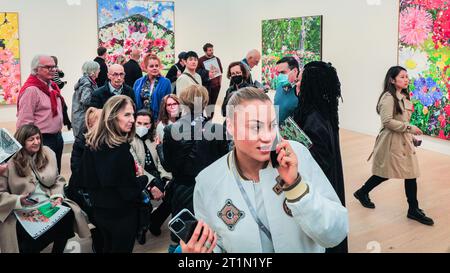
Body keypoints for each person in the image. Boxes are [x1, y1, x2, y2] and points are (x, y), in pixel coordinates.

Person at [181, 87, 348, 253]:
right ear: (231, 127)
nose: (268, 137)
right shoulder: (208, 182)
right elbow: (216, 244)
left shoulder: (296, 156)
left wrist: (296, 187)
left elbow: (336, 232)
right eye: (256, 127)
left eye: (272, 125)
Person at [354, 66, 434, 226]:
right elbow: (387, 121)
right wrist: (410, 129)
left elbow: (403, 121)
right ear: (392, 79)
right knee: (384, 173)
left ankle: (413, 209)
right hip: (390, 143)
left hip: (403, 142)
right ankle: (362, 192)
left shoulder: (403, 96)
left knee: (411, 174)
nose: (406, 79)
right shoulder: (388, 98)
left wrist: (411, 136)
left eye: (407, 76)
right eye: (402, 77)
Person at [0, 124, 90, 253]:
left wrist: (57, 196)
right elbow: (1, 194)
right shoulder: (8, 162)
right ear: (21, 141)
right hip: (20, 209)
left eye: (38, 138)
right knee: (30, 239)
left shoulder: (47, 152)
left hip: (48, 201)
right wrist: (18, 200)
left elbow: (57, 179)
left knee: (69, 213)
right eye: (31, 139)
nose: (36, 142)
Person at [79, 95, 149, 253]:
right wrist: (142, 178)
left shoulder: (92, 144)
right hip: (122, 216)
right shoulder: (120, 151)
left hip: (101, 214)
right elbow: (129, 192)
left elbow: (85, 179)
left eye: (132, 114)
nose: (132, 119)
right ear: (111, 117)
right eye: (127, 114)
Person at [163, 84, 228, 252]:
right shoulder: (217, 129)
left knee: (184, 238)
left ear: (183, 101)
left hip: (182, 190)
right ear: (205, 102)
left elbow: (168, 165)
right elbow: (224, 163)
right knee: (211, 237)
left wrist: (158, 149)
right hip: (211, 191)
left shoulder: (171, 129)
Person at [293, 61, 347, 253]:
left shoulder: (313, 119)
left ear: (310, 84)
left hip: (318, 193)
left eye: (300, 80)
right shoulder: (321, 112)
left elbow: (318, 163)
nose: (296, 84)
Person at [16, 54, 72, 173]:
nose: (53, 70)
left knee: (55, 173)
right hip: (41, 140)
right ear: (36, 69)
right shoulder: (31, 90)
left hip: (56, 137)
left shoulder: (52, 86)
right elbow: (24, 122)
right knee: (44, 175)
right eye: (48, 67)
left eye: (54, 67)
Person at [130, 110, 172, 244]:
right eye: (139, 123)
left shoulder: (154, 138)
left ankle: (155, 222)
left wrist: (166, 179)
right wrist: (151, 185)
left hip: (157, 174)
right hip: (140, 178)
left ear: (151, 124)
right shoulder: (129, 140)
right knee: (144, 201)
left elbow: (161, 161)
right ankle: (142, 227)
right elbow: (136, 167)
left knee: (173, 192)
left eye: (146, 124)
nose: (142, 126)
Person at [66, 107, 103, 252]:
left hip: (100, 187)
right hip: (83, 190)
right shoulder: (82, 141)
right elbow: (78, 171)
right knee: (99, 216)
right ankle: (98, 241)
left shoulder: (108, 139)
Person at [133, 54, 171, 120]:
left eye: (157, 66)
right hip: (141, 119)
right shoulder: (138, 82)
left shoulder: (166, 82)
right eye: (151, 66)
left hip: (159, 119)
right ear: (146, 68)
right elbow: (134, 102)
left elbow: (168, 102)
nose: (155, 68)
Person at [71, 61, 100, 137]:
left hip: (81, 117)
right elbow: (85, 100)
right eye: (98, 69)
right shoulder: (87, 83)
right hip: (83, 119)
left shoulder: (87, 81)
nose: (99, 71)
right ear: (93, 71)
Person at [274, 56, 301, 124]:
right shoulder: (280, 86)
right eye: (278, 73)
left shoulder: (301, 90)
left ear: (295, 71)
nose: (280, 76)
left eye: (283, 72)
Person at [198, 43, 223, 108]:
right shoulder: (200, 60)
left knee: (213, 104)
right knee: (207, 103)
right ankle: (208, 117)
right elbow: (198, 73)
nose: (212, 52)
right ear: (205, 51)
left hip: (216, 86)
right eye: (210, 50)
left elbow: (220, 72)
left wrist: (220, 84)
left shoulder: (216, 59)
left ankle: (211, 116)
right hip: (206, 86)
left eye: (212, 50)